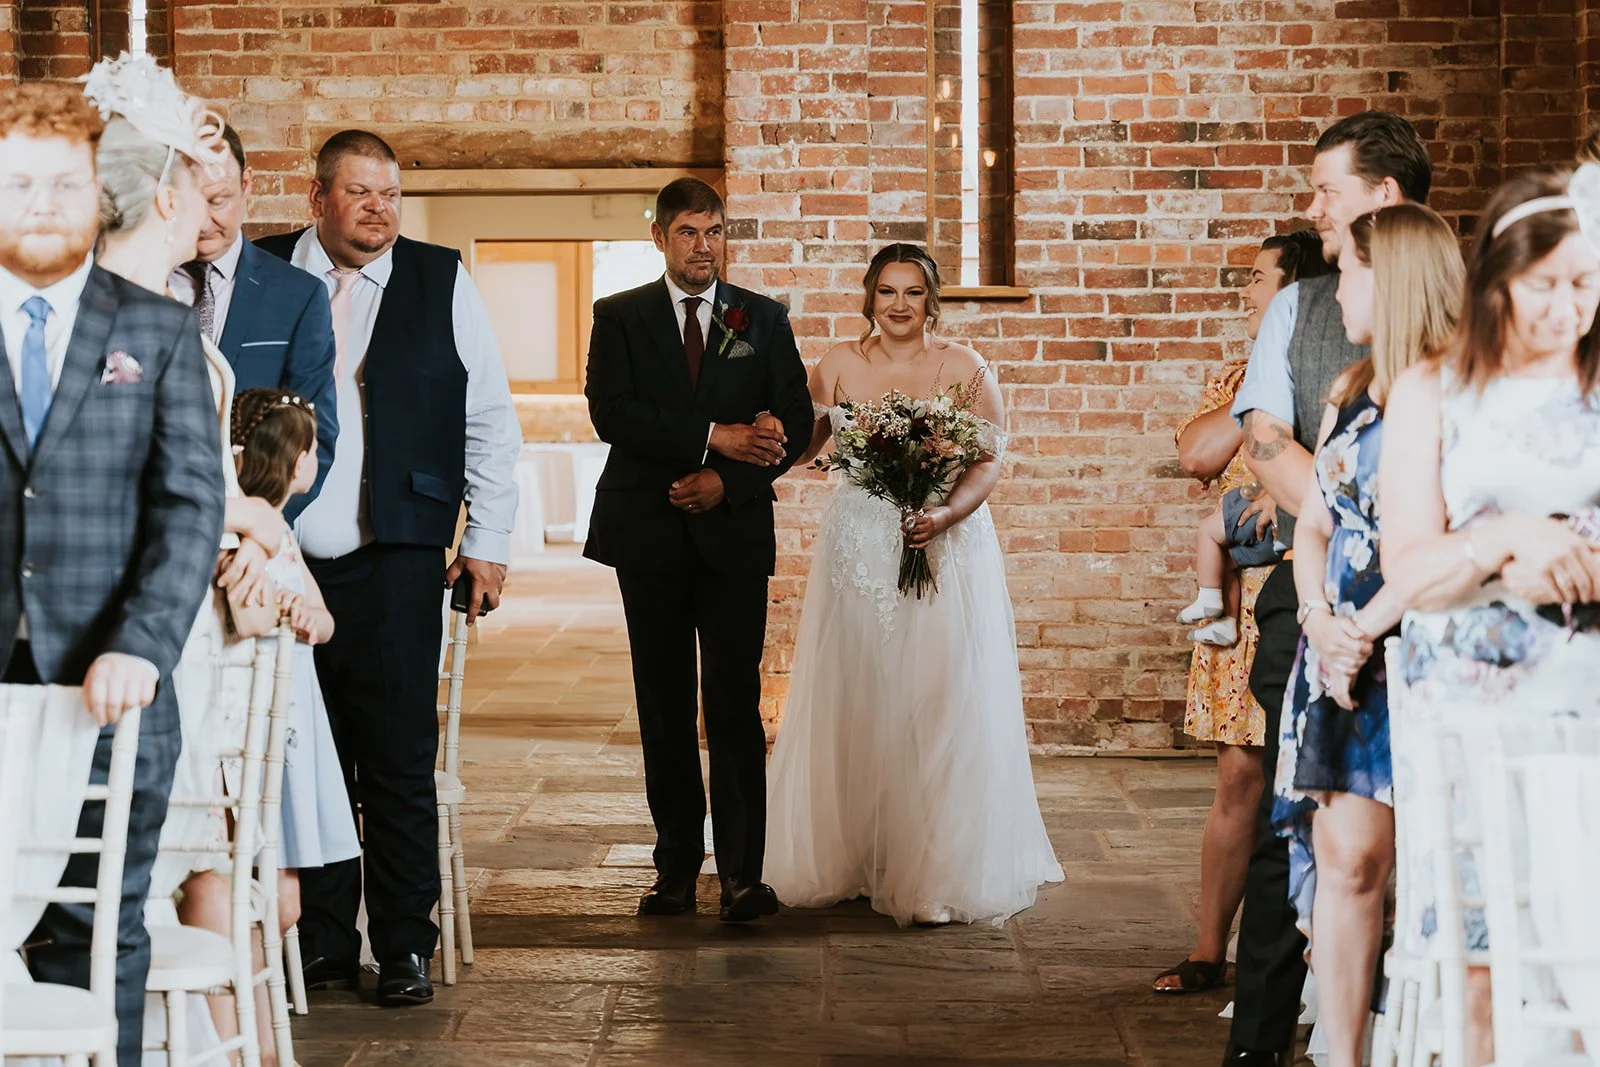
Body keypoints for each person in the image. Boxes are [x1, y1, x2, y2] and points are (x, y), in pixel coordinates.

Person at [255, 129, 520, 1006]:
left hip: (399, 548)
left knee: (398, 755)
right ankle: (327, 941)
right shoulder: (259, 274)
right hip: (277, 553)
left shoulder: (440, 277)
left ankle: (403, 939)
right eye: (361, 192)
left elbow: (488, 415)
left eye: (391, 194)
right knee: (302, 751)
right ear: (317, 197)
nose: (379, 209)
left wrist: (487, 538)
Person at [0, 75, 226, 1065]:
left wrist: (140, 643)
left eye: (62, 185)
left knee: (99, 931)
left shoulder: (155, 330)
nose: (41, 206)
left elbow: (189, 509)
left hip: (111, 692)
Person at [762, 243, 1063, 927]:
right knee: (859, 692)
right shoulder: (837, 363)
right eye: (887, 291)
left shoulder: (965, 367)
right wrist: (760, 465)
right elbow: (806, 444)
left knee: (935, 699)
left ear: (932, 299)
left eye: (913, 293)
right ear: (869, 295)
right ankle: (852, 856)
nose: (899, 305)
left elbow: (987, 461)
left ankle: (930, 867)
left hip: (941, 539)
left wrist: (946, 512)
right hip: (858, 547)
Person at [1224, 110, 1432, 1067]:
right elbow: (1266, 439)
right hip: (1313, 608)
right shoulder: (1302, 314)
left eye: (1326, 190)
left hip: (1416, 611)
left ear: (1382, 199)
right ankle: (1261, 1045)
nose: (1310, 210)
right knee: (1292, 835)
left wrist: (1390, 555)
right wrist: (1340, 569)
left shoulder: (1451, 317)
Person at [1380, 164, 1600, 1067]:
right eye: (1543, 285)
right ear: (1496, 281)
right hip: (1470, 720)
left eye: (1584, 284)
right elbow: (1409, 569)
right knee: (1481, 961)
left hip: (1586, 703)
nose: (1564, 308)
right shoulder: (1433, 391)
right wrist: (1508, 534)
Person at [582, 177, 813, 923]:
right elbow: (611, 411)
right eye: (688, 232)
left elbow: (795, 421)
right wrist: (714, 436)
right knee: (665, 703)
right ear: (660, 237)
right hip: (646, 532)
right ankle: (676, 868)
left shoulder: (761, 317)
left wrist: (727, 482)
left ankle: (744, 875)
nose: (703, 246)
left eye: (715, 232)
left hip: (734, 533)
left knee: (735, 703)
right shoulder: (618, 315)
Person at [1269, 204, 1463, 1067]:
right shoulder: (1355, 388)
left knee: (1413, 866)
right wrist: (1319, 618)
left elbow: (1444, 538)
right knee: (1343, 857)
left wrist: (1364, 627)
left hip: (1411, 644)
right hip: (1339, 648)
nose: (1335, 286)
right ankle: (1338, 1054)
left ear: (1394, 279)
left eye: (1348, 269)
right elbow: (1314, 524)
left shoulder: (1454, 390)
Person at [1155, 229, 1330, 995]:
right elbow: (1196, 454)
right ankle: (1206, 948)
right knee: (1238, 778)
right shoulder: (1239, 373)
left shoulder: (1338, 370)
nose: (1246, 292)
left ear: (1296, 293)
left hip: (1309, 587)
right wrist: (1259, 382)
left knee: (1315, 781)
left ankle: (1311, 952)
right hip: (1243, 602)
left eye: (1259, 280)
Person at [169, 124, 337, 521]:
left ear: (247, 185)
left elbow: (315, 438)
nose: (204, 221)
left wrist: (259, 529)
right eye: (189, 203)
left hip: (252, 544)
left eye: (218, 200)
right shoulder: (131, 284)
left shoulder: (298, 296)